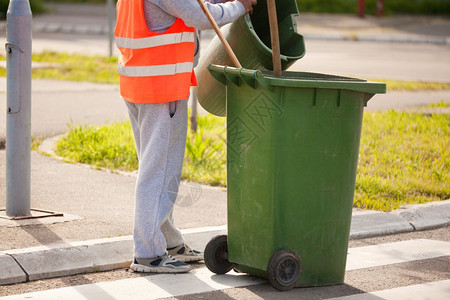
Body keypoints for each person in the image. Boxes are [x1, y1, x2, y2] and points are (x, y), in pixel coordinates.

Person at [114, 0, 257, 274]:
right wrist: (239, 6)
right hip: (161, 89)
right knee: (158, 172)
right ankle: (147, 253)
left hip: (138, 83)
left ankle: (167, 241)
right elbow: (204, 16)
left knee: (158, 170)